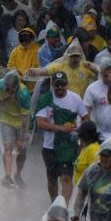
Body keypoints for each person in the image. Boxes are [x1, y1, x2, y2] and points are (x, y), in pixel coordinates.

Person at [35, 71, 89, 201]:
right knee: (52, 179)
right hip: (50, 147)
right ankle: (54, 204)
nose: (60, 87)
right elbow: (40, 123)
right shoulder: (45, 99)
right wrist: (61, 129)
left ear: (67, 84)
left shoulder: (75, 98)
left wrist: (81, 135)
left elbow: (85, 118)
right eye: (57, 84)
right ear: (52, 84)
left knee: (66, 177)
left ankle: (64, 207)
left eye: (63, 84)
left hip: (68, 146)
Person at [0, 70, 32, 189]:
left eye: (12, 91)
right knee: (8, 147)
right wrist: (4, 98)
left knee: (22, 151)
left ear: (16, 88)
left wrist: (21, 138)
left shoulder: (24, 93)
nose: (9, 92)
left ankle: (18, 174)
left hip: (21, 121)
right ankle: (7, 176)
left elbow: (25, 119)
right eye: (7, 90)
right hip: (6, 119)